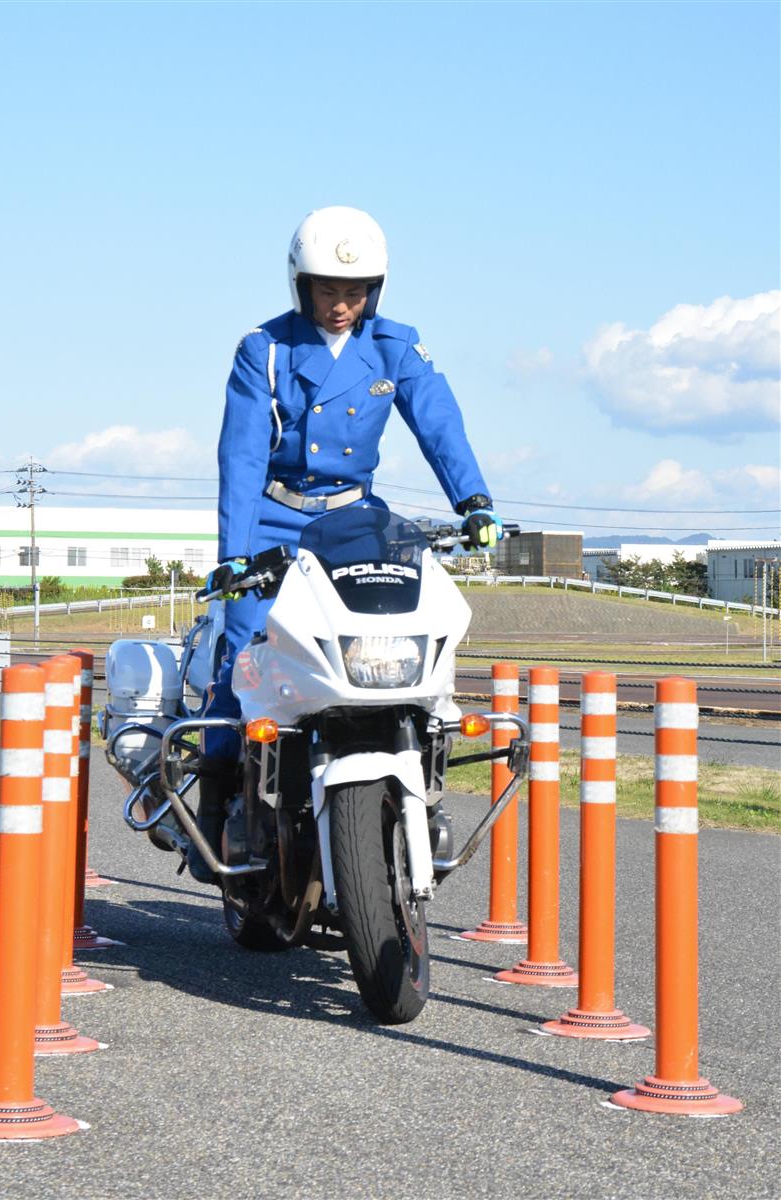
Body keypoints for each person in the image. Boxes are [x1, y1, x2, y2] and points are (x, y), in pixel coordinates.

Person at [188, 205, 501, 883]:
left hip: (354, 522)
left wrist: (473, 501)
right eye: (327, 291)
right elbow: (241, 458)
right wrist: (234, 554)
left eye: (354, 292)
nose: (340, 305)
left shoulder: (395, 345)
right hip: (272, 519)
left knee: (394, 644)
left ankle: (415, 779)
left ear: (375, 291)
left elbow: (438, 423)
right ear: (301, 287)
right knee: (244, 657)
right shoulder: (264, 350)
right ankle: (221, 812)